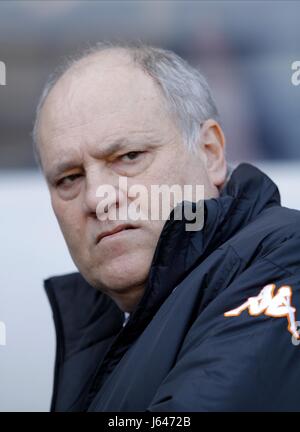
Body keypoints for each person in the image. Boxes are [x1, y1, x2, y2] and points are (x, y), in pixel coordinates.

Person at [33, 42, 300, 412]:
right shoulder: (112, 319)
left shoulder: (286, 262)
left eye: (128, 157)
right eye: (68, 178)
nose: (96, 198)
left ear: (210, 153)